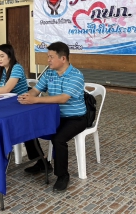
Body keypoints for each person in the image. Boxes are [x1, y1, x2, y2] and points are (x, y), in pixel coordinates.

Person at [18, 41, 87, 193]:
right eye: (47, 56)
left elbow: (63, 98)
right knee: (28, 128)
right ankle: (42, 163)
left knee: (58, 139)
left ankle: (62, 176)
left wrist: (35, 100)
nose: (48, 60)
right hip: (54, 115)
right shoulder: (49, 72)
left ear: (63, 59)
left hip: (75, 117)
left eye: (51, 57)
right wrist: (27, 96)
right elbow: (36, 90)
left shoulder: (76, 75)